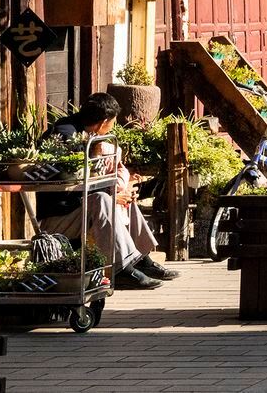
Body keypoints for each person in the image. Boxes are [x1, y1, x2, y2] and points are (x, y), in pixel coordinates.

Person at [38, 93, 175, 290]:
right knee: (104, 200)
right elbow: (72, 184)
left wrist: (120, 192)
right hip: (60, 216)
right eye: (112, 122)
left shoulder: (87, 132)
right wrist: (112, 195)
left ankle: (140, 258)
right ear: (103, 122)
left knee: (125, 199)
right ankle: (120, 270)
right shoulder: (66, 136)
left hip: (79, 207)